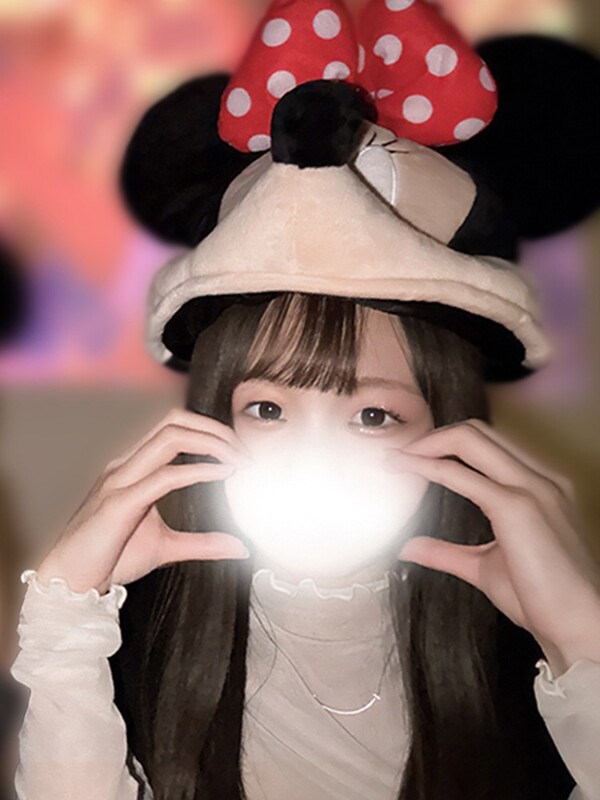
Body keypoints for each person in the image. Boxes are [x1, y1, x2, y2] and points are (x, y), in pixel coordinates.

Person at [9, 0, 600, 798]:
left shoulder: (525, 656)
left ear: (451, 431)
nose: (313, 458)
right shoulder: (130, 633)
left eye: (373, 416)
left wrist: (582, 644)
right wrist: (63, 629)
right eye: (268, 409)